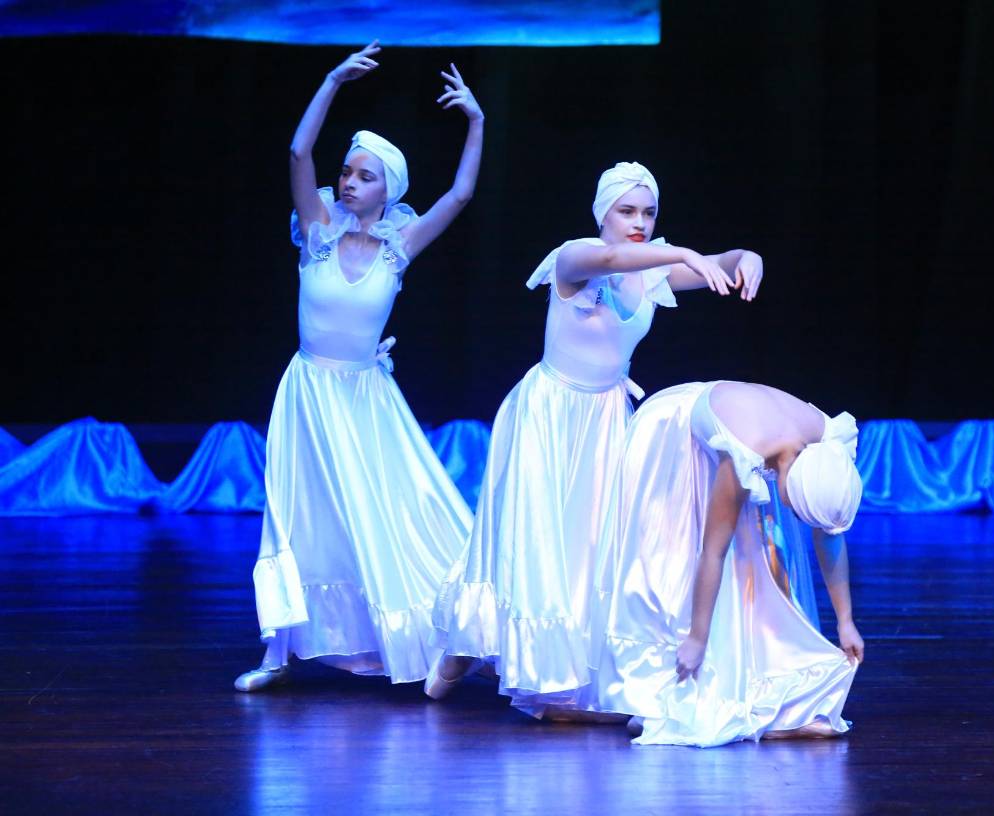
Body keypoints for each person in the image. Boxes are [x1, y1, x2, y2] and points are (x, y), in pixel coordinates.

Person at [429, 163, 765, 718]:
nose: (639, 222)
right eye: (626, 211)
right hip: (549, 412)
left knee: (589, 547)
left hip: (607, 417)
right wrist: (682, 253)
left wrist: (745, 259)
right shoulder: (575, 256)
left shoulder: (652, 272)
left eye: (648, 212)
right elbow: (612, 259)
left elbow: (724, 263)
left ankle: (562, 667)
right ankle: (464, 649)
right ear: (602, 213)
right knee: (533, 538)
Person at [234, 41, 484, 691]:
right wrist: (331, 81)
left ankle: (444, 632)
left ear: (387, 191)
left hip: (367, 399)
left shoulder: (399, 246)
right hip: (308, 392)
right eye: (347, 170)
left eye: (364, 175)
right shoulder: (315, 228)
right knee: (295, 514)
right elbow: (296, 154)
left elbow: (459, 195)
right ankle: (277, 653)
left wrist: (477, 122)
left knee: (387, 514)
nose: (348, 181)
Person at [591, 380, 864, 746]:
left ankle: (759, 675)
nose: (797, 521)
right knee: (680, 557)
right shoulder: (742, 457)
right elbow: (713, 551)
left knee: (758, 564)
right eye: (798, 512)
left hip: (741, 415)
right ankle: (659, 690)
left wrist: (846, 622)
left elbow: (829, 534)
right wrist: (697, 638)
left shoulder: (827, 445)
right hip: (673, 426)